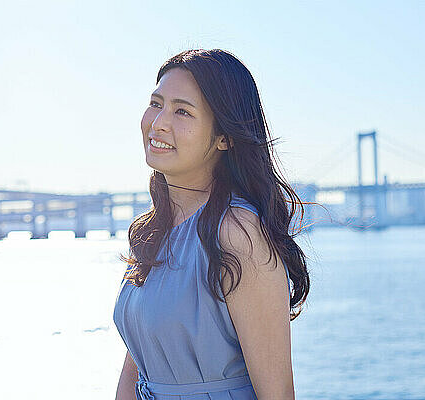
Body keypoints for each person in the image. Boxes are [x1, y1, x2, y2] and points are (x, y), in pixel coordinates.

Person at [113, 49, 311, 400]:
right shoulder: (150, 232)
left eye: (182, 111)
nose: (158, 123)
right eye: (156, 103)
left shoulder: (238, 233)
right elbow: (136, 370)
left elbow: (277, 392)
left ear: (224, 137)